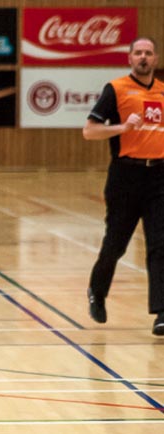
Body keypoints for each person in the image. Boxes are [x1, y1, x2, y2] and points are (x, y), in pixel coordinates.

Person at [83, 36, 164, 335]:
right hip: (125, 177)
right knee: (115, 245)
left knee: (160, 245)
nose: (143, 57)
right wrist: (122, 128)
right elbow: (89, 131)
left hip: (159, 176)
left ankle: (161, 313)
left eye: (148, 53)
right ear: (130, 58)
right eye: (138, 52)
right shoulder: (115, 89)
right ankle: (97, 290)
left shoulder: (162, 91)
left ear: (155, 59)